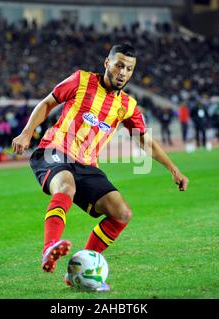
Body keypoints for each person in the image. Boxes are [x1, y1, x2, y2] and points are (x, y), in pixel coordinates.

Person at [11, 44, 189, 292]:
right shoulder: (81, 80)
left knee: (122, 213)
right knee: (65, 185)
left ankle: (77, 270)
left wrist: (173, 169)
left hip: (86, 164)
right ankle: (48, 248)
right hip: (54, 150)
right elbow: (48, 102)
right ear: (107, 63)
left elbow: (144, 140)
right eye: (119, 65)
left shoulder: (127, 105)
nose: (123, 72)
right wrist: (27, 132)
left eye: (129, 69)